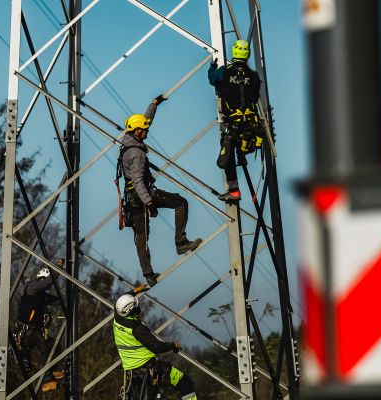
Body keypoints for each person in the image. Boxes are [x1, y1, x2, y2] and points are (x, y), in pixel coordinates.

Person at [118, 96, 202, 287]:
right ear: (137, 131)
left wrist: (154, 105)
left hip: (131, 199)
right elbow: (139, 181)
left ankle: (149, 275)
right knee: (181, 202)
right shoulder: (137, 153)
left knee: (141, 237)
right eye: (144, 130)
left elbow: (145, 120)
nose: (147, 131)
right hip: (142, 195)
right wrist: (149, 203)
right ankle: (181, 243)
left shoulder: (129, 141)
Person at [114, 288, 198, 400]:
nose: (139, 307)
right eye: (137, 306)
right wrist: (172, 345)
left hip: (133, 373)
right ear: (133, 310)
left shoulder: (118, 318)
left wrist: (136, 290)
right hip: (150, 369)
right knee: (183, 382)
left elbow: (121, 300)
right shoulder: (137, 329)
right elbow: (156, 346)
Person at [208, 39, 264, 202]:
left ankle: (234, 191)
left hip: (233, 123)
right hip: (250, 124)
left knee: (227, 154)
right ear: (247, 55)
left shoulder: (224, 71)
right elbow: (254, 96)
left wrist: (212, 67)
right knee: (238, 147)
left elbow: (212, 80)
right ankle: (243, 155)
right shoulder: (254, 75)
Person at [12, 267, 63, 391]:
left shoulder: (42, 295)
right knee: (45, 348)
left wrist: (73, 294)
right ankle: (47, 378)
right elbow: (46, 284)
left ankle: (51, 373)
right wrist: (58, 269)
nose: (45, 285)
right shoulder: (32, 288)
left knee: (54, 345)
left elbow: (58, 301)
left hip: (33, 331)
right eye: (44, 281)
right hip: (27, 332)